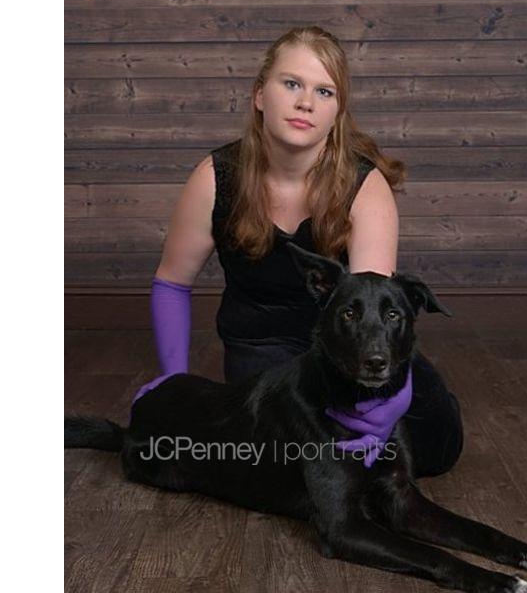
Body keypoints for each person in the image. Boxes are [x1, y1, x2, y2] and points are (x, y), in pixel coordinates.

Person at [146, 26, 463, 477]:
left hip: (346, 354)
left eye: (324, 91)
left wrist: (388, 404)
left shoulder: (364, 186)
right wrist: (173, 386)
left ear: (337, 111)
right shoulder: (215, 176)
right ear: (260, 95)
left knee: (434, 444)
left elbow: (373, 310)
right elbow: (172, 283)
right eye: (292, 84)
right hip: (263, 354)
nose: (306, 103)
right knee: (283, 461)